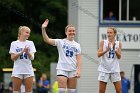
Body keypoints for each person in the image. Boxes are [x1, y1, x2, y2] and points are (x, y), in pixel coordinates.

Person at [41, 19, 82, 93]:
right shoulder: (60, 42)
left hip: (73, 70)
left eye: (73, 31)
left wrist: (78, 70)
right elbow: (46, 40)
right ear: (66, 32)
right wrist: (43, 28)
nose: (72, 32)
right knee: (61, 91)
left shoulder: (77, 45)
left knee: (72, 91)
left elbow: (79, 59)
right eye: (70, 31)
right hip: (62, 69)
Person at [9, 26, 36, 93]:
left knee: (29, 91)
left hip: (28, 70)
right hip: (17, 70)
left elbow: (32, 58)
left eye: (29, 33)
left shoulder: (30, 43)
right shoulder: (14, 43)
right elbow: (12, 58)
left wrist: (27, 52)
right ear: (21, 32)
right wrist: (21, 52)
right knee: (16, 91)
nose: (28, 34)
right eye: (27, 32)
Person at [97, 27, 122, 93]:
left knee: (119, 90)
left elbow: (119, 57)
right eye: (108, 32)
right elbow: (98, 55)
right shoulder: (103, 42)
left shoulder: (118, 43)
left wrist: (115, 51)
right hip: (104, 69)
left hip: (115, 69)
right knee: (101, 91)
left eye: (110, 32)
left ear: (115, 34)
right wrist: (106, 50)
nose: (108, 34)